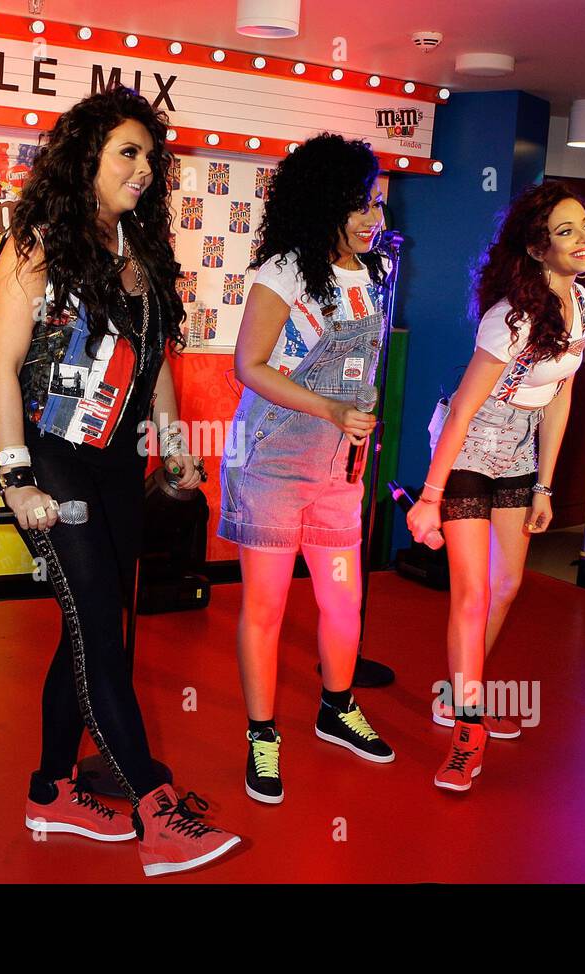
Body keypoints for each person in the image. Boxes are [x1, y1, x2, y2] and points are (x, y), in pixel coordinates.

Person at [0, 86, 240, 877]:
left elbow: (155, 360)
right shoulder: (37, 244)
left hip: (121, 466)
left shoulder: (143, 250)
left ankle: (51, 790)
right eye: (128, 152)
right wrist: (16, 477)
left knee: (90, 627)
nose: (144, 168)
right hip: (51, 461)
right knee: (99, 628)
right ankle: (157, 809)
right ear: (85, 158)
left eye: (149, 156)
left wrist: (171, 442)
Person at [218, 134, 394, 806]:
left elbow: (359, 367)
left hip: (338, 472)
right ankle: (262, 734)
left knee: (342, 599)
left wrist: (359, 407)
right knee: (265, 608)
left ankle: (336, 706)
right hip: (271, 464)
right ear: (325, 203)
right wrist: (327, 404)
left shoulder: (372, 274)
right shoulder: (285, 270)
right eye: (362, 206)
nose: (374, 219)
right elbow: (249, 365)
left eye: (377, 205)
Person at [406, 180, 585, 792]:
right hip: (467, 446)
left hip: (517, 449)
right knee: (471, 594)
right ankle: (467, 725)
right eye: (566, 231)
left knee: (507, 584)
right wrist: (430, 498)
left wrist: (545, 486)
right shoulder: (509, 317)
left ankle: (451, 696)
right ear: (538, 248)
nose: (584, 239)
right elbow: (462, 410)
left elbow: (561, 398)